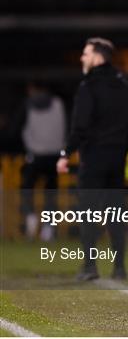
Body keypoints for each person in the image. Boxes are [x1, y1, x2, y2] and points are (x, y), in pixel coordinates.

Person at [57, 38, 128, 281]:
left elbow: (79, 126)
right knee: (115, 211)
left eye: (86, 53)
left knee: (89, 212)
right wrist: (123, 148)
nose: (82, 58)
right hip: (117, 157)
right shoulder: (124, 84)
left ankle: (90, 266)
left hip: (93, 156)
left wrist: (65, 153)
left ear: (97, 56)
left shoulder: (88, 85)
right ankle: (120, 267)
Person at [15, 82, 66, 241]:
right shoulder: (58, 104)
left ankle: (30, 216)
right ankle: (48, 227)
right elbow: (66, 127)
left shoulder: (27, 105)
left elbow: (17, 128)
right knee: (51, 193)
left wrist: (23, 147)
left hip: (34, 155)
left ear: (32, 89)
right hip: (54, 155)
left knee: (26, 188)